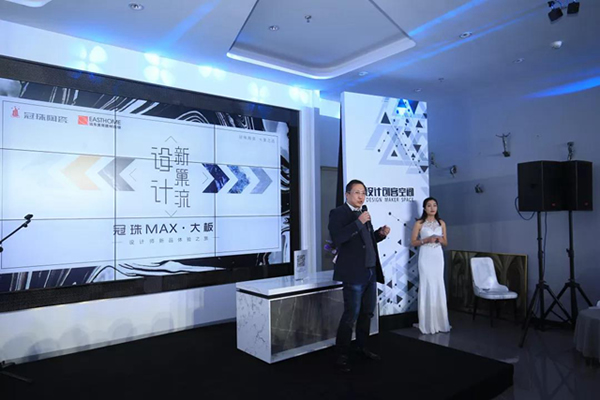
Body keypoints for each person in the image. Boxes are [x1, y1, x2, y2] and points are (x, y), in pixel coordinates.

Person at [328, 179, 390, 372]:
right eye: (357, 192)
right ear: (347, 194)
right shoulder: (338, 213)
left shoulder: (364, 212)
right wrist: (358, 222)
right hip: (353, 273)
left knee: (367, 313)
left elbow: (366, 241)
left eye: (363, 193)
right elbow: (338, 238)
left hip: (370, 271)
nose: (361, 196)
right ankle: (342, 355)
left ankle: (362, 348)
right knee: (351, 315)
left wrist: (380, 234)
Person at [411, 197, 451, 334]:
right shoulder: (419, 223)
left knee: (438, 284)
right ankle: (427, 322)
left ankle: (440, 322)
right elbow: (413, 242)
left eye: (434, 205)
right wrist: (426, 240)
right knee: (427, 284)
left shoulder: (441, 223)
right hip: (425, 256)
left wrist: (440, 239)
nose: (432, 208)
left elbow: (446, 242)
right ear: (424, 208)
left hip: (438, 256)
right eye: (429, 205)